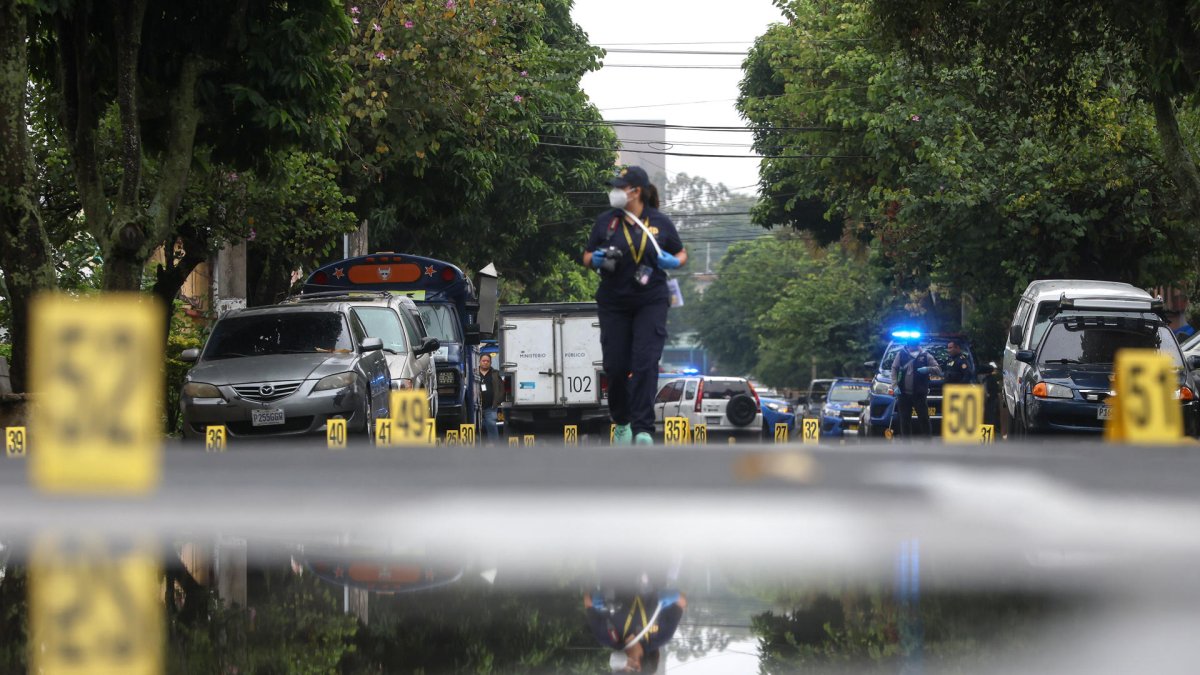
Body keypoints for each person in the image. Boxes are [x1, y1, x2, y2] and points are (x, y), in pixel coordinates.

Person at [583, 166, 687, 445]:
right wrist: (595, 258)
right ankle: (621, 421)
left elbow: (681, 251)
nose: (615, 192)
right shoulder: (607, 222)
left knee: (645, 362)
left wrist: (674, 261)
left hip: (650, 299)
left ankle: (643, 429)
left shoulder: (659, 222)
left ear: (635, 191)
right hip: (614, 300)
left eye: (621, 186)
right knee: (616, 366)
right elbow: (586, 254)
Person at [585, 587, 687, 673]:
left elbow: (587, 601)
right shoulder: (662, 636)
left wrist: (594, 598)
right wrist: (674, 596)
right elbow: (682, 602)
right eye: (622, 672)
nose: (616, 668)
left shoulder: (605, 637)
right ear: (637, 667)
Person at [890, 338, 942, 438]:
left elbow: (938, 369)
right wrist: (895, 385)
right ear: (908, 346)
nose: (913, 349)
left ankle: (927, 440)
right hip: (903, 393)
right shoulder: (901, 354)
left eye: (915, 346)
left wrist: (928, 369)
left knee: (924, 418)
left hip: (919, 393)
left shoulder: (925, 355)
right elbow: (894, 369)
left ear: (918, 345)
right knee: (904, 419)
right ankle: (906, 442)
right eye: (911, 347)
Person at [477, 353, 503, 442]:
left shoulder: (495, 373)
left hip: (490, 407)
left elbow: (501, 388)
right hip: (476, 407)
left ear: (490, 363)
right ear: (479, 361)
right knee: (475, 426)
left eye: (488, 361)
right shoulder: (474, 373)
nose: (485, 363)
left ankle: (494, 446)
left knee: (492, 424)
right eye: (483, 361)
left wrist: (497, 401)